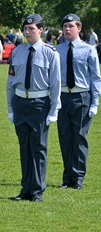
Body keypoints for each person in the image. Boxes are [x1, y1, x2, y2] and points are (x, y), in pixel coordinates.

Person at [7, 14, 61, 202]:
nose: (27, 31)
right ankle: (25, 189)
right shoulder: (17, 52)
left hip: (40, 104)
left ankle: (37, 190)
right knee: (24, 148)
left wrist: (54, 110)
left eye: (31, 28)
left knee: (38, 148)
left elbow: (55, 83)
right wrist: (10, 108)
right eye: (25, 28)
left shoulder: (50, 53)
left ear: (41, 30)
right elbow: (11, 82)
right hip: (21, 102)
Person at [55, 14, 101, 190]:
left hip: (82, 97)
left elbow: (96, 77)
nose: (67, 29)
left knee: (79, 138)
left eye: (71, 26)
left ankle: (78, 177)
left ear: (79, 29)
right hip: (63, 97)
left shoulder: (88, 50)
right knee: (65, 138)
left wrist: (95, 102)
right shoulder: (57, 50)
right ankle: (67, 177)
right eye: (65, 26)